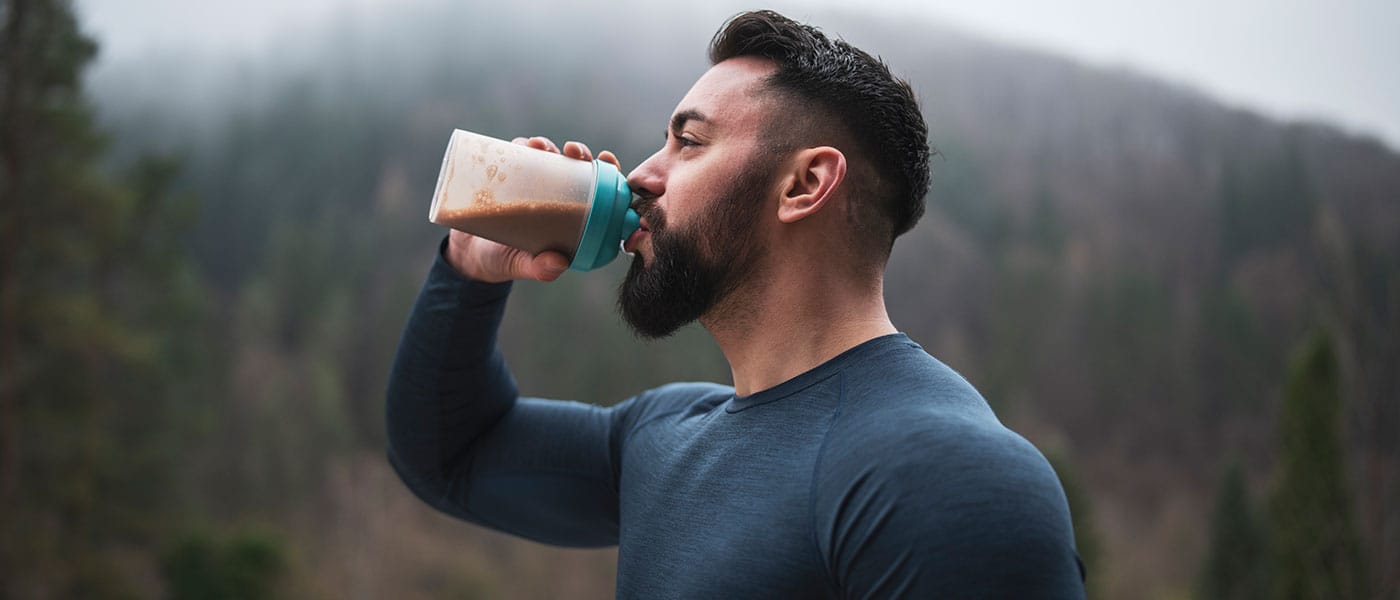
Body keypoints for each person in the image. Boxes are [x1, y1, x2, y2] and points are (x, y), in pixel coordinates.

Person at [387, 9, 1086, 598]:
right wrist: (470, 271)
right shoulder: (665, 434)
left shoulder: (946, 476)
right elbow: (451, 455)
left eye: (688, 143)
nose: (639, 175)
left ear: (804, 185)